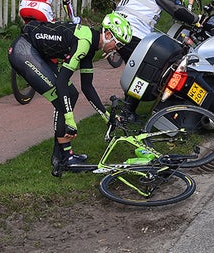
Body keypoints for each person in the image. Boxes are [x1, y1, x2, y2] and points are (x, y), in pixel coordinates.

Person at [7, 12, 132, 175]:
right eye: (119, 44)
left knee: (71, 94)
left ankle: (60, 156)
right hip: (23, 52)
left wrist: (106, 116)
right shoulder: (84, 42)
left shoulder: (91, 44)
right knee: (61, 98)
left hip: (36, 51)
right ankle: (66, 158)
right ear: (108, 35)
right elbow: (61, 82)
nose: (118, 49)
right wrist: (70, 118)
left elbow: (87, 87)